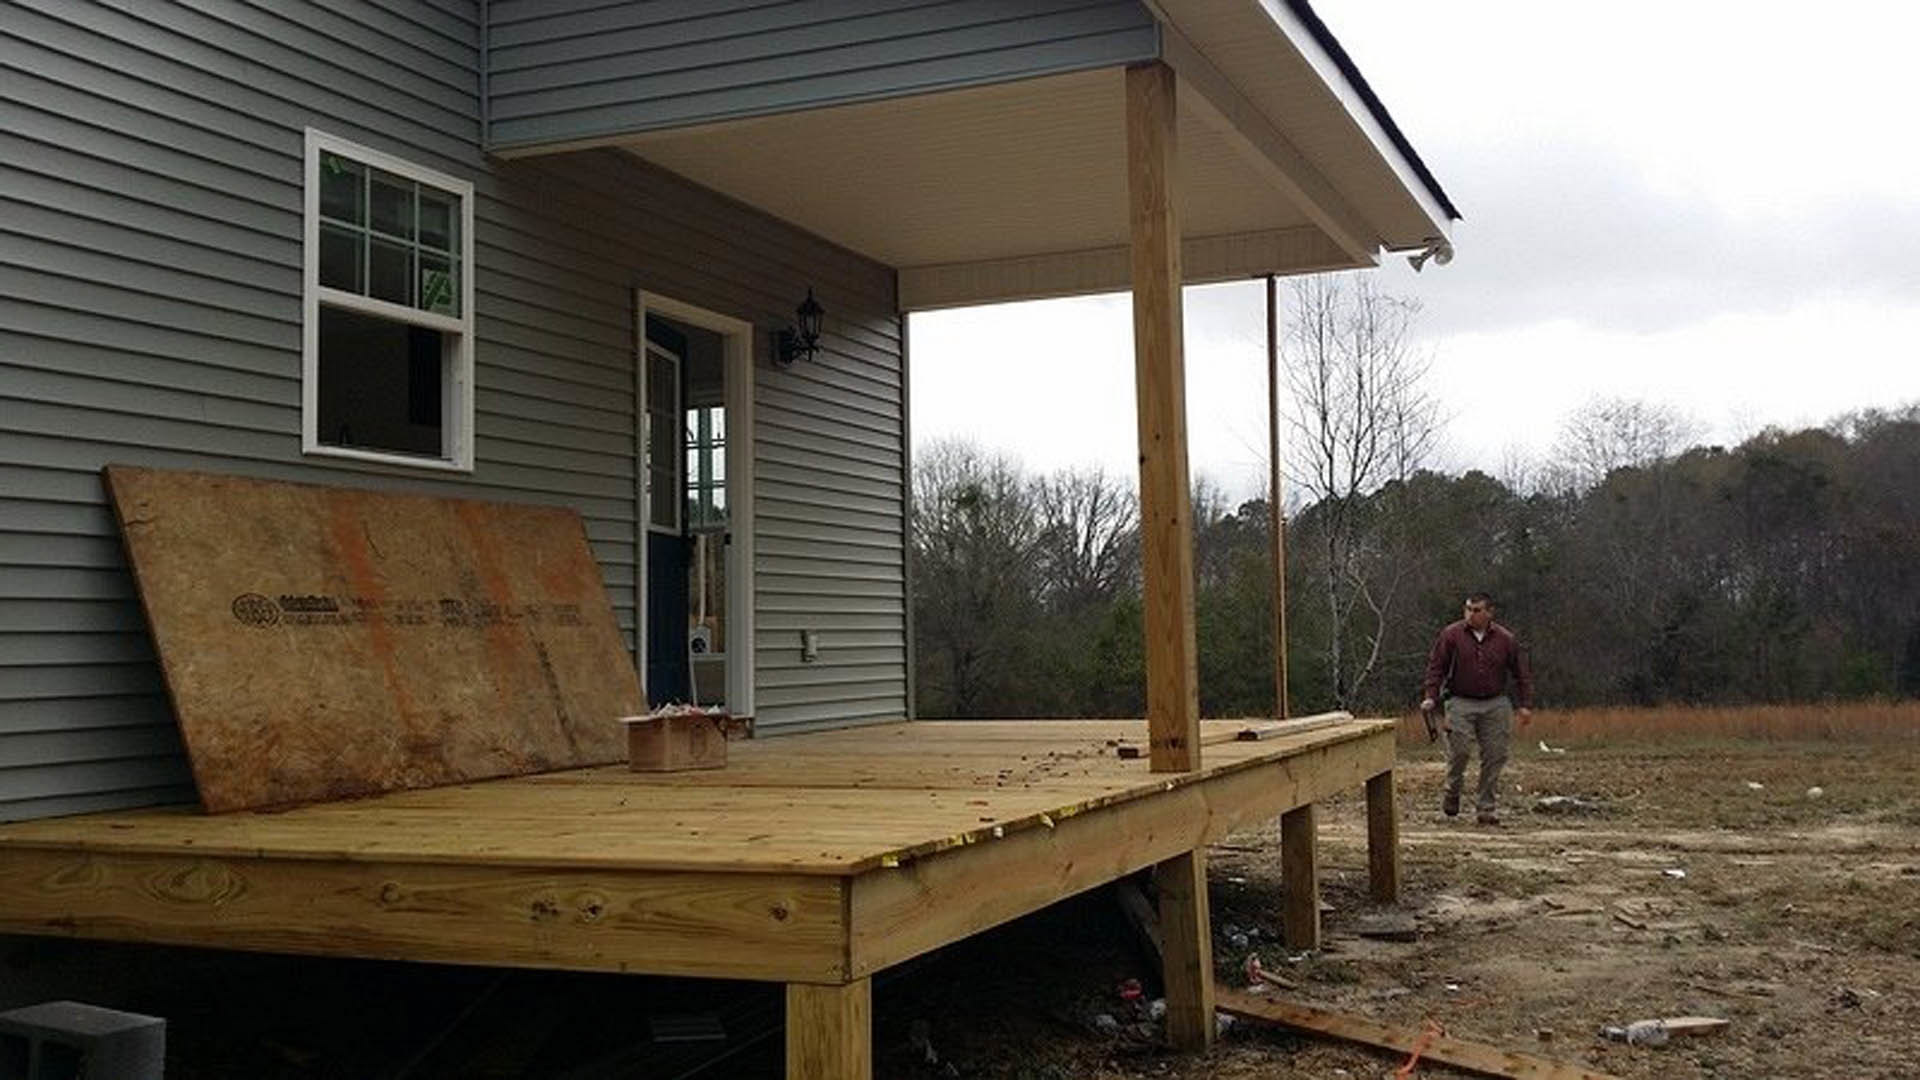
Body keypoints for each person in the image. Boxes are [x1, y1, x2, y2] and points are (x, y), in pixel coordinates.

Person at [1420, 592, 1534, 825]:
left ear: (1489, 612)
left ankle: (1486, 807)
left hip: (1495, 702)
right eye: (1468, 609)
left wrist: (1525, 704)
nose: (1472, 614)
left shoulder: (1505, 639)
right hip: (1460, 700)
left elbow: (1521, 673)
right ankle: (1452, 791)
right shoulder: (1451, 635)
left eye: (1477, 610)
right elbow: (1436, 667)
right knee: (1459, 751)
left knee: (1495, 754)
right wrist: (1431, 697)